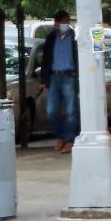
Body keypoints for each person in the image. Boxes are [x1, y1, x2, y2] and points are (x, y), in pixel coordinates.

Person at [38, 9, 79, 153]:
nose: (65, 25)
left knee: (71, 111)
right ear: (56, 23)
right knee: (51, 111)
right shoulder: (51, 38)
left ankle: (69, 140)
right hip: (54, 77)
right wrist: (44, 79)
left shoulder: (74, 37)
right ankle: (62, 136)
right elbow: (45, 60)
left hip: (69, 76)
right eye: (63, 22)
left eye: (67, 22)